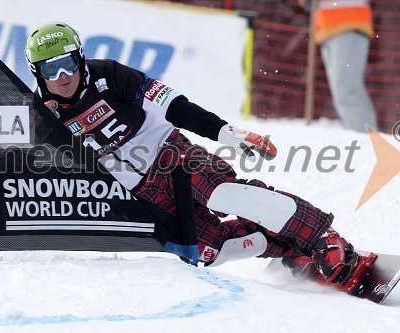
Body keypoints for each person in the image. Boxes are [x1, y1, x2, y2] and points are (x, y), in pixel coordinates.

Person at [24, 22, 373, 292]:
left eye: (67, 63)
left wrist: (226, 133)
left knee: (222, 194)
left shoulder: (108, 75)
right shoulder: (40, 116)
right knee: (212, 250)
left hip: (169, 153)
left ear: (80, 57)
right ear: (36, 72)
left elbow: (174, 105)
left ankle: (322, 238)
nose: (63, 76)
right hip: (139, 193)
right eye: (50, 70)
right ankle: (290, 251)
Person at [300, 0, 378, 132]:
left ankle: (363, 139)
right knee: (344, 91)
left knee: (347, 90)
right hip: (329, 28)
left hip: (349, 24)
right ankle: (363, 135)